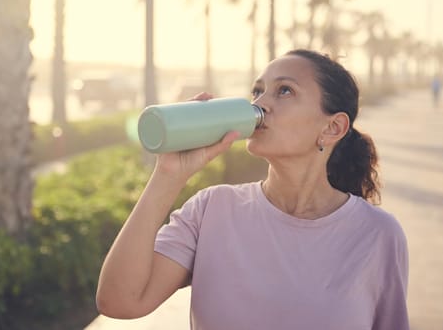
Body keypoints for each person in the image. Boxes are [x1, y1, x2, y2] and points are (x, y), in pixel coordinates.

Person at [96, 49, 410, 330]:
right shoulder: (211, 210)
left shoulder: (377, 234)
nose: (260, 104)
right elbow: (120, 302)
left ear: (332, 128)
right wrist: (167, 175)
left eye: (284, 91)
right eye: (257, 91)